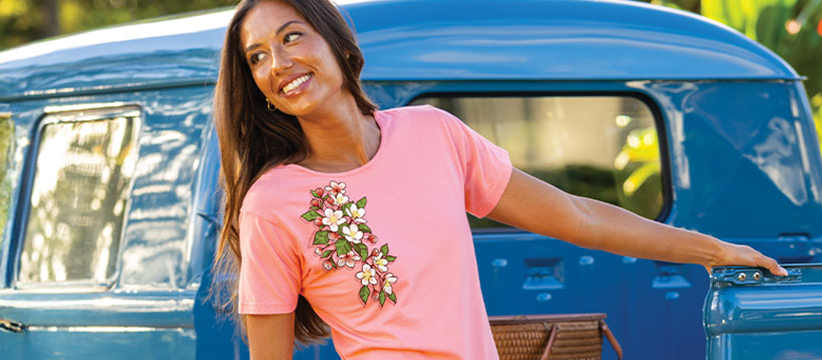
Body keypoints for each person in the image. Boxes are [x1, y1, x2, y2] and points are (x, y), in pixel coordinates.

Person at [211, 0, 788, 358]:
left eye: (291, 37)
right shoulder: (273, 203)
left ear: (335, 42)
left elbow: (580, 217)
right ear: (256, 87)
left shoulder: (434, 134)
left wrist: (713, 250)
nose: (278, 62)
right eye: (256, 57)